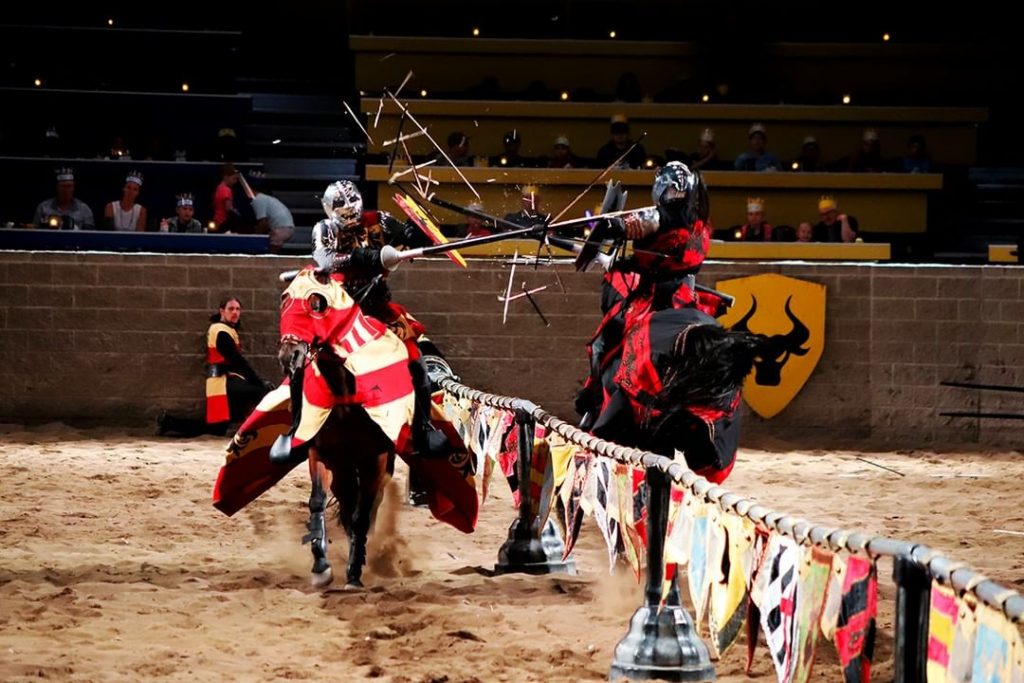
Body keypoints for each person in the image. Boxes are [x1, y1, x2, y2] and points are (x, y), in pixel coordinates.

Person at [575, 161, 751, 482]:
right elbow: (657, 255)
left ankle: (595, 406)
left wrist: (612, 224)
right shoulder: (701, 224)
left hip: (655, 302)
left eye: (674, 189)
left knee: (605, 341)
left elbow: (641, 224)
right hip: (686, 298)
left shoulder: (663, 217)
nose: (672, 194)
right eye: (670, 189)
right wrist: (615, 257)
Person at [270, 180, 452, 468]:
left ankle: (422, 428)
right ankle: (297, 431)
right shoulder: (324, 229)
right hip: (339, 307)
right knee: (301, 359)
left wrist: (414, 231)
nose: (350, 214)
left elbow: (410, 240)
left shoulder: (380, 221)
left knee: (415, 359)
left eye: (352, 207)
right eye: (342, 209)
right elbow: (326, 260)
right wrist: (364, 256)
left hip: (376, 305)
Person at [157, 297, 274, 437]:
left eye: (237, 309)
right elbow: (237, 360)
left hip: (225, 380)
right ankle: (256, 427)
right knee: (261, 390)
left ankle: (170, 422)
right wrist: (257, 381)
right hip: (222, 383)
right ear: (222, 311)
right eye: (231, 309)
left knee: (216, 429)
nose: (235, 312)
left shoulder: (226, 330)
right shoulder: (221, 331)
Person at [247, 172, 295, 252]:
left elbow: (263, 223)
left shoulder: (258, 199)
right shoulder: (265, 198)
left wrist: (254, 237)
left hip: (281, 228)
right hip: (287, 226)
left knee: (271, 253)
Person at [212, 163, 241, 233]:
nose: (235, 181)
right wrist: (236, 212)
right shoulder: (227, 190)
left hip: (217, 221)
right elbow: (228, 208)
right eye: (234, 178)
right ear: (226, 176)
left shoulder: (218, 188)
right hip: (224, 223)